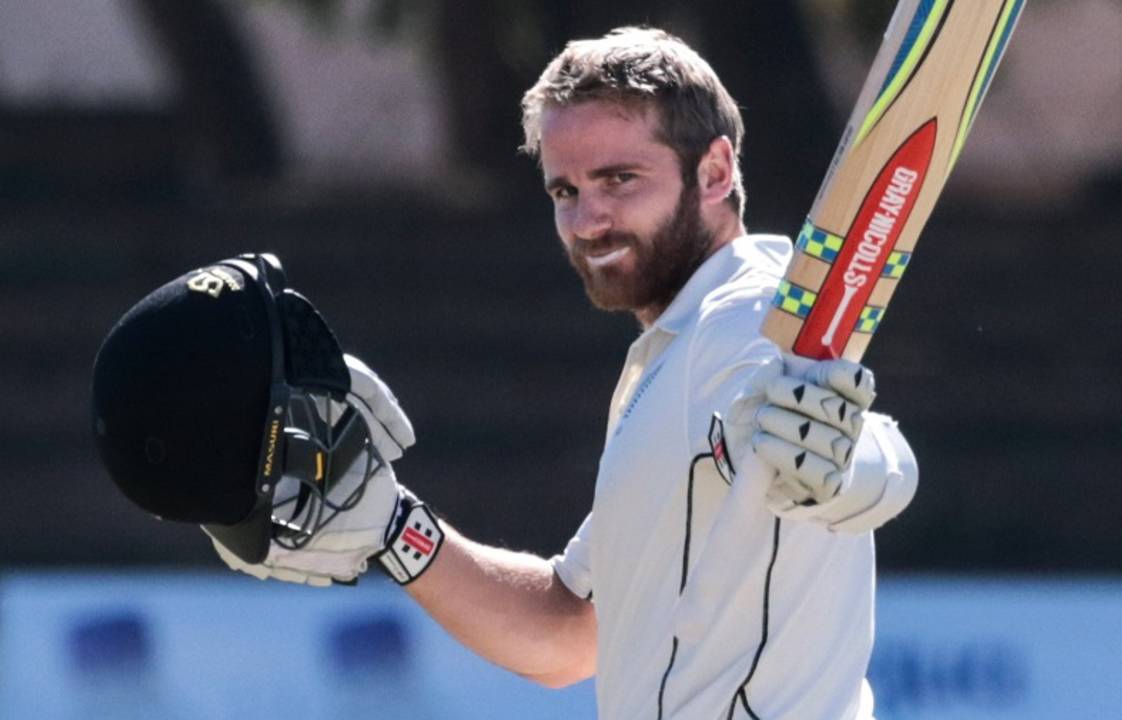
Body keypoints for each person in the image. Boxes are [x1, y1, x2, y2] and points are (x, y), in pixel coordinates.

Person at [92, 28, 917, 720]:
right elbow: (567, 635)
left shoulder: (745, 311)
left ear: (713, 171)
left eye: (619, 180)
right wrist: (392, 527)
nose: (588, 218)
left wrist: (846, 468)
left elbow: (871, 451)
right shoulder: (663, 363)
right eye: (566, 189)